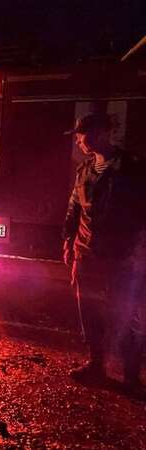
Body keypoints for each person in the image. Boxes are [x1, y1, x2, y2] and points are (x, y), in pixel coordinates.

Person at [62, 112, 146, 389]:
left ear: (102, 133)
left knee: (124, 312)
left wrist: (137, 249)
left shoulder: (132, 168)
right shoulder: (84, 170)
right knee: (89, 309)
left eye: (81, 134)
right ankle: (96, 364)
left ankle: (131, 374)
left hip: (121, 256)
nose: (78, 140)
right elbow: (74, 209)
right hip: (86, 253)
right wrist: (68, 242)